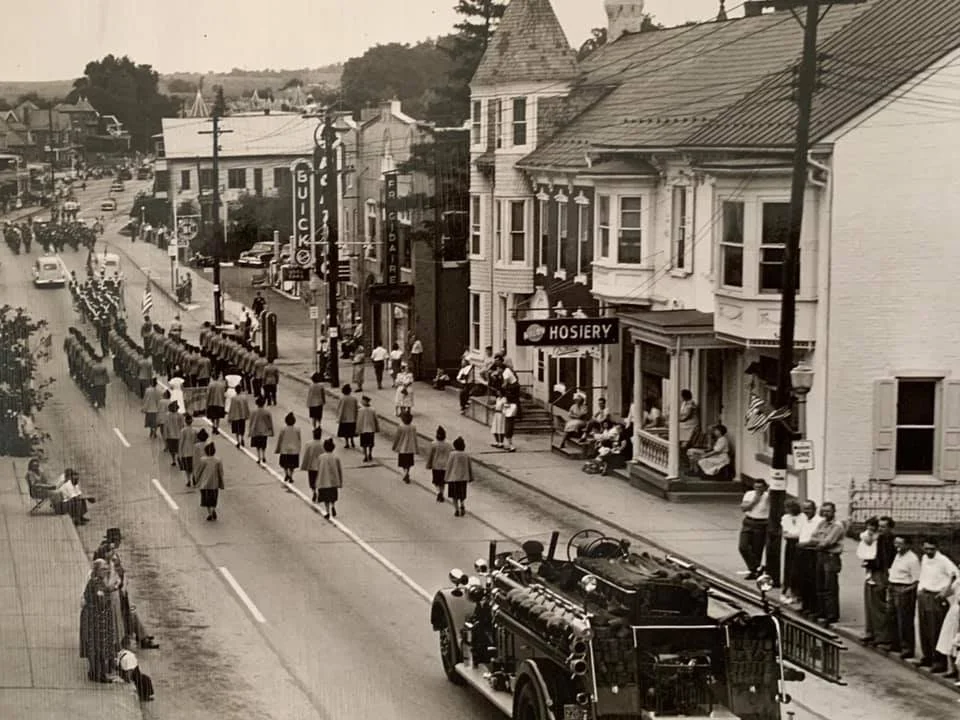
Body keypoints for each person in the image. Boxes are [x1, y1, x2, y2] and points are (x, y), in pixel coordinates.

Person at [917, 537, 959, 672]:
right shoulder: (924, 558)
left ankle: (938, 662)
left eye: (932, 549)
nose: (929, 551)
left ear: (937, 548)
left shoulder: (943, 561)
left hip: (935, 597)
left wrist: (945, 591)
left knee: (935, 630)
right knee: (924, 629)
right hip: (924, 594)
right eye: (926, 548)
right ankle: (927, 656)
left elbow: (955, 575)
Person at [80, 559, 119, 683]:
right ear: (97, 571)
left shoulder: (97, 582)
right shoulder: (96, 583)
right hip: (95, 619)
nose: (105, 570)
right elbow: (100, 600)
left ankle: (95, 672)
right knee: (97, 646)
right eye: (103, 569)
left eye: (106, 568)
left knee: (96, 645)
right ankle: (99, 674)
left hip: (97, 618)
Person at [861, 516, 896, 647]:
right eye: (879, 526)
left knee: (879, 604)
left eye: (883, 527)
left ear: (890, 528)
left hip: (882, 573)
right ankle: (871, 632)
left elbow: (886, 560)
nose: (880, 529)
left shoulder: (890, 541)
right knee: (870, 603)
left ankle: (882, 636)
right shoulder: (878, 538)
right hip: (872, 572)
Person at [811, 501, 846, 628]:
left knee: (830, 586)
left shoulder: (837, 526)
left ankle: (832, 615)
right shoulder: (822, 523)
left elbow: (827, 543)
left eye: (828, 511)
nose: (825, 513)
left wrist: (819, 541)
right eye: (824, 511)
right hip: (821, 556)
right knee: (820, 585)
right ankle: (822, 612)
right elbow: (812, 537)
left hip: (831, 557)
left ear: (834, 512)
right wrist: (819, 541)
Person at [887, 535, 921, 660]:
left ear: (907, 545)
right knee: (892, 616)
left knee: (904, 619)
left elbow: (916, 580)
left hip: (904, 589)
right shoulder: (898, 555)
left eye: (900, 544)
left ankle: (907, 648)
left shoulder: (912, 559)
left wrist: (905, 591)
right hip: (893, 586)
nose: (897, 546)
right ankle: (895, 643)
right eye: (895, 543)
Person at [796, 500, 823, 618]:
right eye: (804, 508)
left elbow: (818, 539)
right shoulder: (803, 520)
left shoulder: (819, 522)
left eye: (808, 509)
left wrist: (805, 544)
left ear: (814, 509)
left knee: (812, 580)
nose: (806, 511)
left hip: (812, 553)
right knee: (803, 580)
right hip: (802, 552)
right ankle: (805, 606)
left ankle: (814, 608)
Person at [738, 478, 769, 580]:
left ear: (764, 488)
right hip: (749, 521)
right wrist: (755, 500)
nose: (758, 489)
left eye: (760, 487)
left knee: (757, 549)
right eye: (756, 487)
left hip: (761, 523)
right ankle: (756, 567)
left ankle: (753, 571)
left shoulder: (768, 497)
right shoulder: (749, 494)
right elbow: (744, 508)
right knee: (743, 546)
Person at [780, 499, 803, 604]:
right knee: (788, 567)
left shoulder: (803, 517)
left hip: (800, 544)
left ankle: (797, 592)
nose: (788, 510)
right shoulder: (785, 518)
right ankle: (787, 590)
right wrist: (793, 535)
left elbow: (802, 534)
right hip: (790, 544)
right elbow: (785, 534)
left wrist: (793, 535)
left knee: (797, 568)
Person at [315, 438, 343, 519]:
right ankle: (333, 506)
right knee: (333, 496)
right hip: (333, 481)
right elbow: (339, 470)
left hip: (324, 480)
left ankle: (327, 511)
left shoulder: (321, 457)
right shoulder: (336, 458)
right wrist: (340, 482)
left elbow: (318, 469)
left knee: (325, 498)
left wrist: (317, 480)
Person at [196, 442, 224, 521]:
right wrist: (221, 481)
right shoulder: (218, 460)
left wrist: (196, 479)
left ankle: (210, 513)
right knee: (213, 499)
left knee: (206, 500)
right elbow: (221, 472)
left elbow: (199, 471)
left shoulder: (203, 460)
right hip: (214, 483)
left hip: (204, 483)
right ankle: (213, 509)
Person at [446, 436, 473, 517]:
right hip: (463, 478)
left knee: (454, 495)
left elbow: (449, 466)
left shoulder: (452, 454)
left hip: (453, 477)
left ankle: (456, 509)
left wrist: (446, 477)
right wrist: (471, 477)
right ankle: (462, 503)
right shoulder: (466, 455)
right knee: (461, 494)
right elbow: (469, 466)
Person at [426, 426, 452, 503]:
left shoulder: (433, 444)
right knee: (442, 482)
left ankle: (438, 492)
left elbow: (430, 455)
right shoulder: (449, 444)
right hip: (445, 466)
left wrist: (428, 464)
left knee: (436, 481)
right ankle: (442, 493)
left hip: (436, 465)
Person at [300, 427, 326, 504]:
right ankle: (320, 492)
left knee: (312, 481)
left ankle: (314, 491)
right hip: (321, 466)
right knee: (321, 480)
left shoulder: (309, 444)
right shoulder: (323, 444)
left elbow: (306, 456)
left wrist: (305, 465)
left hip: (312, 466)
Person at [275, 412, 302, 484]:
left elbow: (280, 439)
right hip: (294, 450)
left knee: (284, 464)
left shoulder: (283, 429)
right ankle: (291, 475)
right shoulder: (297, 429)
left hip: (285, 450)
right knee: (292, 465)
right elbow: (299, 439)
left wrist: (278, 449)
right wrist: (299, 448)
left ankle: (286, 473)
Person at [392, 411, 418, 484]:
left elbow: (397, 437)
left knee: (403, 462)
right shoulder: (413, 427)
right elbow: (415, 438)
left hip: (402, 448)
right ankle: (407, 472)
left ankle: (405, 473)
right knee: (408, 462)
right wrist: (416, 448)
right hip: (410, 448)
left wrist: (394, 446)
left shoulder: (400, 426)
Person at [678, 389, 701, 471]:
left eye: (681, 395)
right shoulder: (684, 404)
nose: (680, 397)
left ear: (685, 396)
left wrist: (677, 419)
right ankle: (684, 463)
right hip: (683, 427)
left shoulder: (691, 404)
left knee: (685, 446)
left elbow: (686, 416)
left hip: (690, 426)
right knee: (680, 445)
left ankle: (687, 464)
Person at [248, 396, 274, 466]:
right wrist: (270, 430)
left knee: (257, 445)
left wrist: (250, 430)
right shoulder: (267, 412)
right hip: (264, 431)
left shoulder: (254, 412)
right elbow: (270, 422)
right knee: (263, 444)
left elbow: (252, 422)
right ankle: (264, 455)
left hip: (256, 430)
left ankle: (259, 457)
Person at [228, 382, 251, 449]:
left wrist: (230, 417)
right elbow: (246, 407)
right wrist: (247, 414)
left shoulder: (234, 398)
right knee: (242, 428)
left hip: (235, 416)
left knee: (236, 429)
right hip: (242, 415)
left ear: (235, 390)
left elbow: (231, 408)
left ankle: (238, 441)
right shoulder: (244, 398)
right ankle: (242, 438)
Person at [357, 395, 379, 464]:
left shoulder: (360, 410)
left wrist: (358, 429)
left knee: (364, 444)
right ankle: (370, 453)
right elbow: (376, 420)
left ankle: (365, 455)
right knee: (370, 443)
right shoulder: (372, 410)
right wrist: (377, 428)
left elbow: (359, 420)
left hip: (363, 429)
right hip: (371, 429)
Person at [337, 384, 359, 449]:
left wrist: (339, 418)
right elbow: (356, 408)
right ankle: (352, 440)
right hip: (352, 418)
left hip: (344, 418)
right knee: (351, 431)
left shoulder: (342, 399)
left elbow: (340, 409)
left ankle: (347, 443)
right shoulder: (354, 399)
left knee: (345, 432)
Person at [178, 414, 198, 487]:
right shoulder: (195, 430)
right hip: (193, 451)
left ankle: (188, 480)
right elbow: (197, 441)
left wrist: (180, 452)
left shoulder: (183, 431)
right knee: (193, 467)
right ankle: (194, 478)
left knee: (187, 468)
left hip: (186, 452)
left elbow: (181, 442)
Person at [162, 401, 184, 467]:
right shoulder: (180, 415)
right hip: (178, 435)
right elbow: (182, 425)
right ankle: (179, 458)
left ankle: (174, 460)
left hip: (170, 435)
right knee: (178, 449)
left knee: (172, 449)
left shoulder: (167, 415)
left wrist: (165, 435)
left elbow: (165, 426)